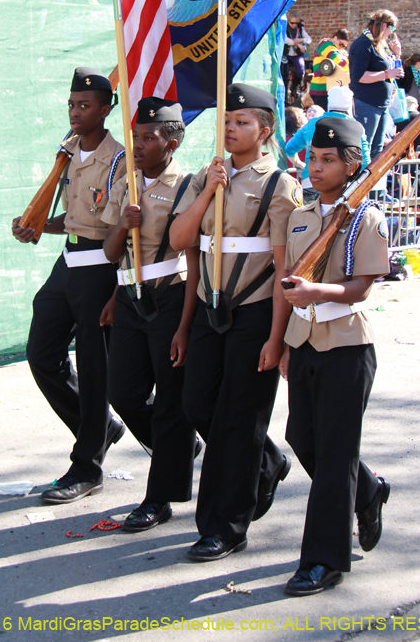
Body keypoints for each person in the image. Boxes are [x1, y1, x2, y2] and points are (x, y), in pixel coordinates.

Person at [170, 83, 301, 562]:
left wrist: (277, 337)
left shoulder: (279, 184)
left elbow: (284, 269)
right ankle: (266, 461)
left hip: (255, 310)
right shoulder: (207, 176)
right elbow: (180, 238)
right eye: (226, 121)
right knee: (197, 403)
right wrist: (209, 190)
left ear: (265, 131)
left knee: (240, 420)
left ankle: (225, 526)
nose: (230, 128)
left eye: (242, 122)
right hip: (210, 307)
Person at [280, 116, 391, 596]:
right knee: (302, 438)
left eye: (328, 160)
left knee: (334, 455)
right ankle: (367, 490)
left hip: (347, 345)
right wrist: (286, 343)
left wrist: (315, 292)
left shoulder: (366, 217)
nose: (316, 167)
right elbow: (290, 281)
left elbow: (361, 287)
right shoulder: (301, 215)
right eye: (313, 158)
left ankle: (323, 560)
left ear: (351, 166)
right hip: (304, 340)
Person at [12, 68, 127, 503]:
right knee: (42, 353)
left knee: (96, 371)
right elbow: (75, 218)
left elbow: (113, 229)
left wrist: (116, 290)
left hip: (99, 267)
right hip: (68, 262)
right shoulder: (68, 151)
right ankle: (101, 427)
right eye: (71, 105)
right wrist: (37, 225)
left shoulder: (118, 161)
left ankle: (87, 468)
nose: (75, 113)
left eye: (85, 105)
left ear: (106, 109)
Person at [102, 98, 198, 533]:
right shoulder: (127, 182)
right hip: (129, 298)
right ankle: (179, 449)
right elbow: (111, 253)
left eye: (148, 138)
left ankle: (159, 498)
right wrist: (124, 223)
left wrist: (185, 324)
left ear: (171, 143)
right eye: (135, 137)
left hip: (169, 296)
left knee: (171, 403)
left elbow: (191, 257)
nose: (137, 145)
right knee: (123, 394)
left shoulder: (187, 186)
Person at [286, 86, 370, 203]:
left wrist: (298, 164)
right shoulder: (355, 127)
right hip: (342, 187)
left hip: (311, 182)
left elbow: (289, 149)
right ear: (350, 105)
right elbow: (366, 162)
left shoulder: (312, 124)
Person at [349, 10, 404, 160]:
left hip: (382, 104)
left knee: (377, 148)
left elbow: (396, 72)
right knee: (365, 146)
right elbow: (359, 76)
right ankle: (362, 175)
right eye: (392, 28)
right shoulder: (363, 44)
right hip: (367, 103)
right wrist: (387, 74)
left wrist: (397, 54)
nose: (392, 33)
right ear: (385, 25)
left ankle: (374, 175)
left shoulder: (381, 45)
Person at [310, 29, 351, 110]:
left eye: (344, 46)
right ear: (335, 38)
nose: (342, 47)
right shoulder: (325, 44)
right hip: (320, 89)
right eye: (341, 44)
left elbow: (348, 61)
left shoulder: (340, 50)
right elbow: (338, 60)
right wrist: (350, 65)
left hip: (333, 89)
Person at [283, 14, 311, 102]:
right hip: (286, 54)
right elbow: (285, 40)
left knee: (300, 72)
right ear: (288, 21)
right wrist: (298, 44)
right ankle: (285, 98)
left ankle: (294, 87)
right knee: (285, 74)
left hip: (297, 55)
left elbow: (309, 39)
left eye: (296, 23)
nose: (294, 25)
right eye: (292, 23)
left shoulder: (300, 28)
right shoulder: (284, 27)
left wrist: (301, 40)